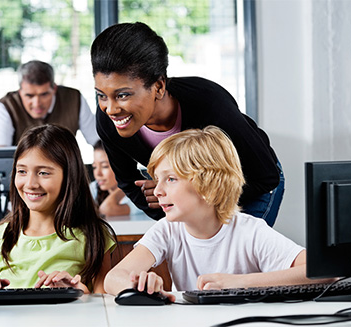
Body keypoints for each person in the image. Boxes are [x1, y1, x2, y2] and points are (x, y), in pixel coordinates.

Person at [103, 126, 333, 302]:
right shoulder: (167, 230)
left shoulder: (249, 231)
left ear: (207, 185)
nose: (158, 191)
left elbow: (324, 272)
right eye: (157, 180)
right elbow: (113, 278)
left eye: (170, 179)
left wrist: (238, 284)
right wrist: (141, 288)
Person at [91, 22, 284, 227]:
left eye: (122, 95)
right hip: (195, 197)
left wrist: (184, 192)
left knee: (232, 257)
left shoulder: (211, 105)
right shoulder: (108, 121)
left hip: (252, 183)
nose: (110, 109)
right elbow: (128, 181)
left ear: (158, 86)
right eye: (101, 95)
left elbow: (266, 176)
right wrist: (164, 208)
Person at [0, 124, 115, 293]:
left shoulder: (94, 236)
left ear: (69, 177)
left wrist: (80, 294)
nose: (30, 184)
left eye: (43, 173)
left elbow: (103, 307)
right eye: (22, 171)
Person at [0, 60, 99, 147]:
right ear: (20, 91)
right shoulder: (6, 106)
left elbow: (98, 141)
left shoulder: (74, 99)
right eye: (29, 96)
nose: (37, 103)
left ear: (54, 88)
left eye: (44, 94)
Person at [90, 140, 141, 217]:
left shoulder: (138, 196)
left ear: (121, 167)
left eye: (105, 166)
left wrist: (125, 185)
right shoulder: (94, 188)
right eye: (94, 167)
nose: (97, 174)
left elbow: (106, 209)